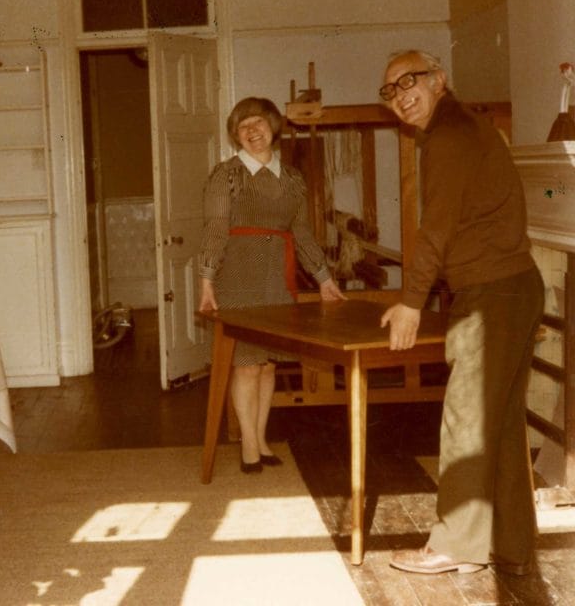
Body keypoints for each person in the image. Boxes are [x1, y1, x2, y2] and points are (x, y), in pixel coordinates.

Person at [378, 50, 544, 575]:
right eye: (390, 90)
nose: (400, 95)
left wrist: (410, 302)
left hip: (492, 296)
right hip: (514, 287)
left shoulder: (448, 136)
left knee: (466, 422)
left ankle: (455, 545)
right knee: (501, 428)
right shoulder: (462, 129)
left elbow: (436, 229)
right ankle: (509, 547)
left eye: (409, 80)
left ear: (439, 80)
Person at [198, 96, 345, 474]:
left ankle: (261, 439)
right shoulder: (226, 175)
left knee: (267, 367)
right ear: (235, 136)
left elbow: (302, 233)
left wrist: (324, 279)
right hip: (238, 278)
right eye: (243, 126)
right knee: (246, 364)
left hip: (277, 279)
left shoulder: (292, 178)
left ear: (273, 126)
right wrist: (207, 280)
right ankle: (248, 444)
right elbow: (215, 229)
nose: (252, 131)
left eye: (258, 123)